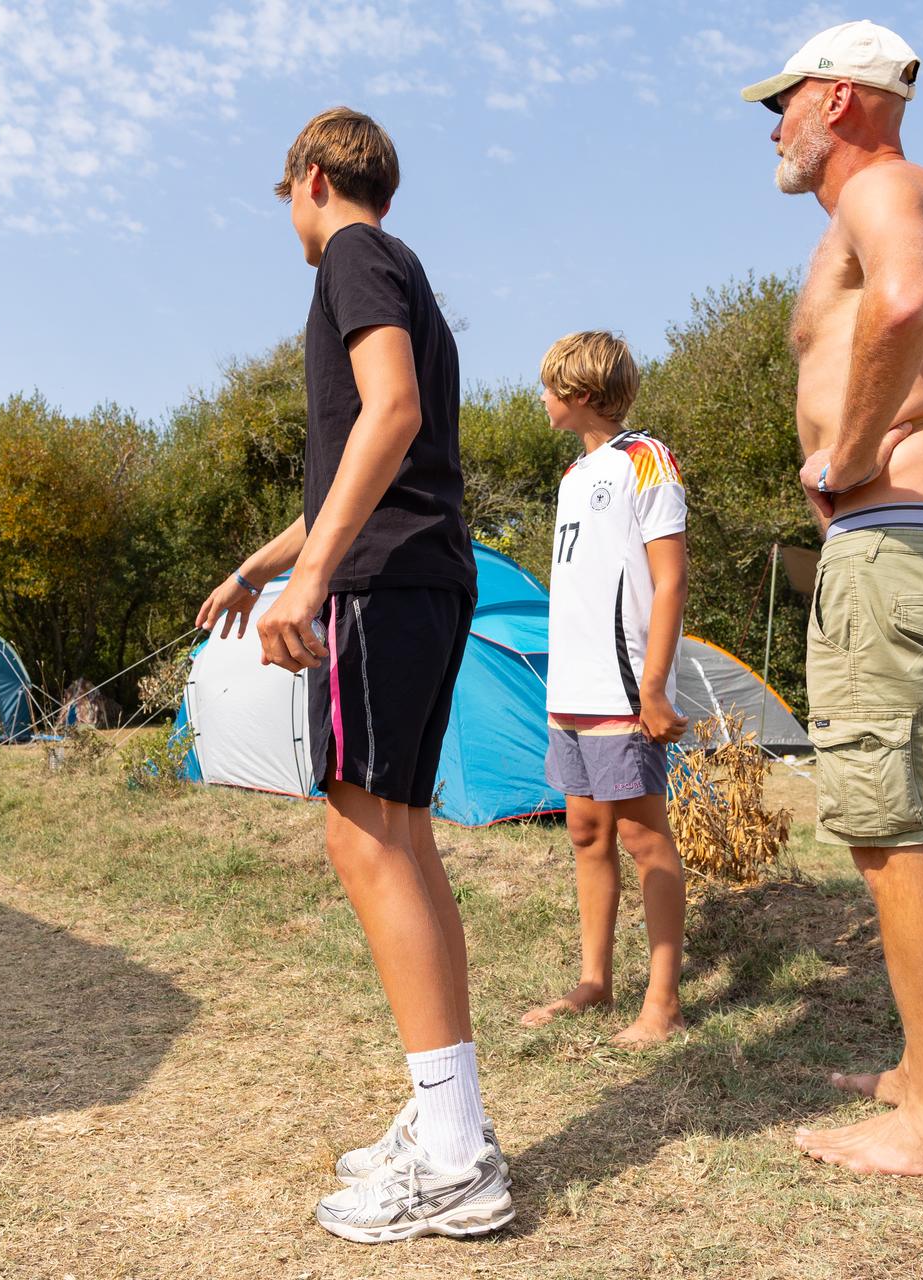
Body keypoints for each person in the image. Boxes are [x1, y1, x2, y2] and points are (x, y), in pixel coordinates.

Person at [195, 107, 511, 1242]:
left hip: (385, 584)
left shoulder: (353, 258)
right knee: (403, 839)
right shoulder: (402, 270)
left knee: (361, 835)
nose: (288, 214)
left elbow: (393, 414)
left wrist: (314, 579)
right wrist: (259, 564)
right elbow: (370, 457)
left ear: (314, 179)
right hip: (421, 575)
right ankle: (448, 1120)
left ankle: (457, 1154)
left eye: (285, 193)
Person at [740, 19, 923, 1178]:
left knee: (897, 835)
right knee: (891, 825)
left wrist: (845, 457)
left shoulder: (889, 190)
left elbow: (902, 305)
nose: (776, 128)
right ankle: (919, 1068)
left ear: (836, 100)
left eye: (781, 104)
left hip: (897, 540)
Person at [516, 331, 691, 1048]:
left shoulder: (646, 460)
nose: (544, 399)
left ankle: (664, 1002)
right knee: (587, 833)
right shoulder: (570, 475)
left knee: (646, 841)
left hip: (626, 692)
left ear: (583, 394)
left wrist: (652, 687)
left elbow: (671, 578)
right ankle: (595, 980)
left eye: (551, 388)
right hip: (571, 688)